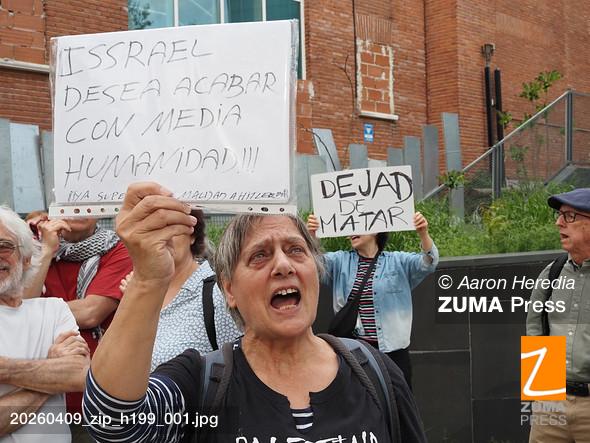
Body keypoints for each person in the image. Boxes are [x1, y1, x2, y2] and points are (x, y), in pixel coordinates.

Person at [83, 182, 426, 442]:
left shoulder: (375, 371)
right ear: (229, 290)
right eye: (259, 256)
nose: (283, 265)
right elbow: (114, 423)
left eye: (296, 249)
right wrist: (148, 278)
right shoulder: (201, 383)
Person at [22, 215, 132, 431]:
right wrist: (46, 252)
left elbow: (91, 312)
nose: (78, 211)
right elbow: (19, 307)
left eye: (85, 205)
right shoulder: (31, 242)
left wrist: (33, 311)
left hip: (94, 391)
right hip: (35, 386)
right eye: (70, 203)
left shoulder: (116, 248)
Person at [307, 212, 438, 388]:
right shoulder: (339, 261)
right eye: (349, 227)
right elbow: (311, 265)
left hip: (393, 352)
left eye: (357, 225)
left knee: (399, 400)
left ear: (376, 230)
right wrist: (312, 236)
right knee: (359, 400)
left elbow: (429, 262)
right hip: (355, 351)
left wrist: (423, 233)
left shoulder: (398, 261)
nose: (351, 232)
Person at [0, 206, 89, 443]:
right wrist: (52, 370)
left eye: (4, 246)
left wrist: (5, 369)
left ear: (27, 259)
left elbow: (79, 375)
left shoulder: (54, 309)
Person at [118, 209, 241, 371]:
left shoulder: (216, 295)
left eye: (171, 227)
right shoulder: (139, 291)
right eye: (154, 230)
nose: (163, 237)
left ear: (192, 235)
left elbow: (240, 365)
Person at [526, 188, 590, 442]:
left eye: (569, 216)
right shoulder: (552, 273)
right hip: (551, 406)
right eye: (559, 215)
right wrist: (543, 397)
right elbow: (536, 331)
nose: (559, 223)